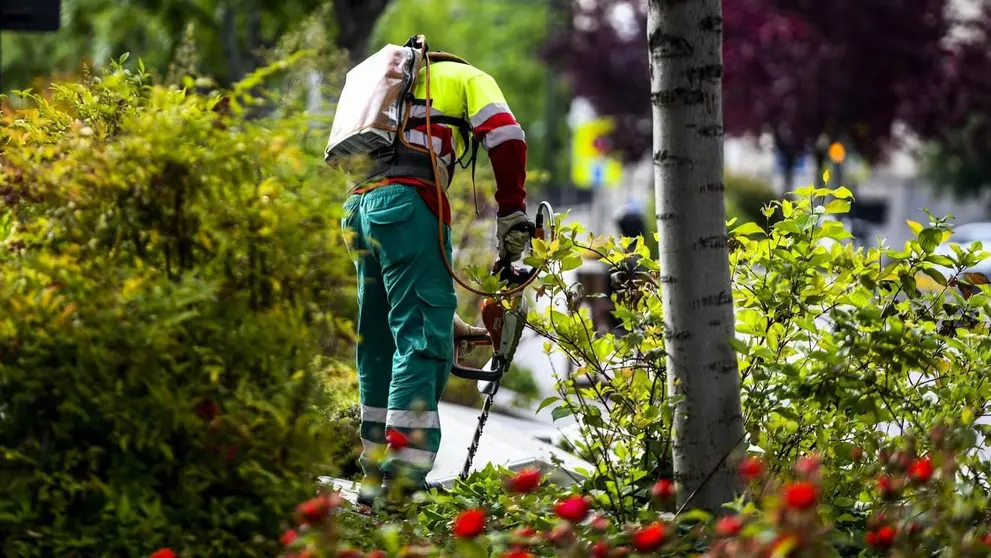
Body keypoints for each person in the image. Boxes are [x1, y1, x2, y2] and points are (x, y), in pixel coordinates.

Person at [339, 42, 531, 504]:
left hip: (358, 210)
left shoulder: (388, 86)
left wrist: (454, 326)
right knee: (420, 340)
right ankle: (403, 482)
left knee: (380, 338)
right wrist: (511, 216)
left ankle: (372, 477)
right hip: (409, 204)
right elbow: (506, 136)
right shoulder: (468, 78)